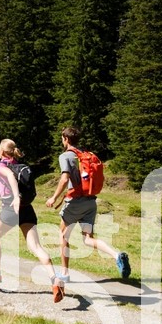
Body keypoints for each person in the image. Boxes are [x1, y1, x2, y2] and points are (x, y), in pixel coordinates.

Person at [44, 126, 131, 297]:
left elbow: (65, 178)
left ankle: (65, 273)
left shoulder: (66, 156)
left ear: (66, 139)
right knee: (87, 239)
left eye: (62, 138)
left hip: (74, 202)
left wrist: (54, 197)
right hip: (90, 202)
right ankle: (116, 255)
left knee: (63, 236)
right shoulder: (86, 155)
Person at [0, 138, 65, 303]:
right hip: (27, 209)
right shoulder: (20, 166)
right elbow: (12, 183)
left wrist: (15, 197)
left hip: (11, 209)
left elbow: (10, 178)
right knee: (36, 247)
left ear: (2, 152)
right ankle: (54, 279)